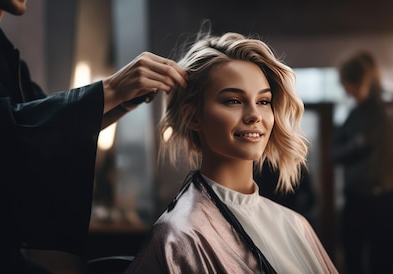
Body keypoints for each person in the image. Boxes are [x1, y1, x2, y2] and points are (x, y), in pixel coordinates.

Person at [0, 0, 186, 273]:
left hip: (5, 258)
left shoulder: (7, 58)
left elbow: (50, 132)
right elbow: (1, 131)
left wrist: (125, 100)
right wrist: (110, 89)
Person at [125, 29, 338, 273]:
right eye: (233, 101)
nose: (255, 115)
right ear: (193, 117)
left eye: (263, 101)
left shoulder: (296, 226)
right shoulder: (178, 236)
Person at [331, 51, 393, 274]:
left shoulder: (378, 112)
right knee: (362, 262)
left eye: (345, 84)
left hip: (375, 201)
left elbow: (342, 151)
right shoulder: (363, 114)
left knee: (375, 263)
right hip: (366, 200)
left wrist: (352, 145)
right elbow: (336, 152)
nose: (345, 91)